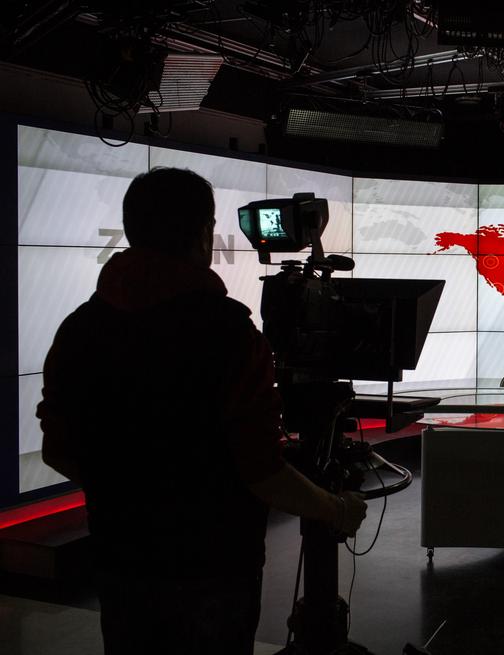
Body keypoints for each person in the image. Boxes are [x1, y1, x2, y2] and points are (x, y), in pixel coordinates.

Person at [36, 167, 367, 655]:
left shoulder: (78, 330)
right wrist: (336, 509)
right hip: (215, 569)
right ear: (201, 234)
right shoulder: (231, 335)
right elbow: (261, 471)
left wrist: (127, 492)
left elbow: (57, 450)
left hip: (121, 560)